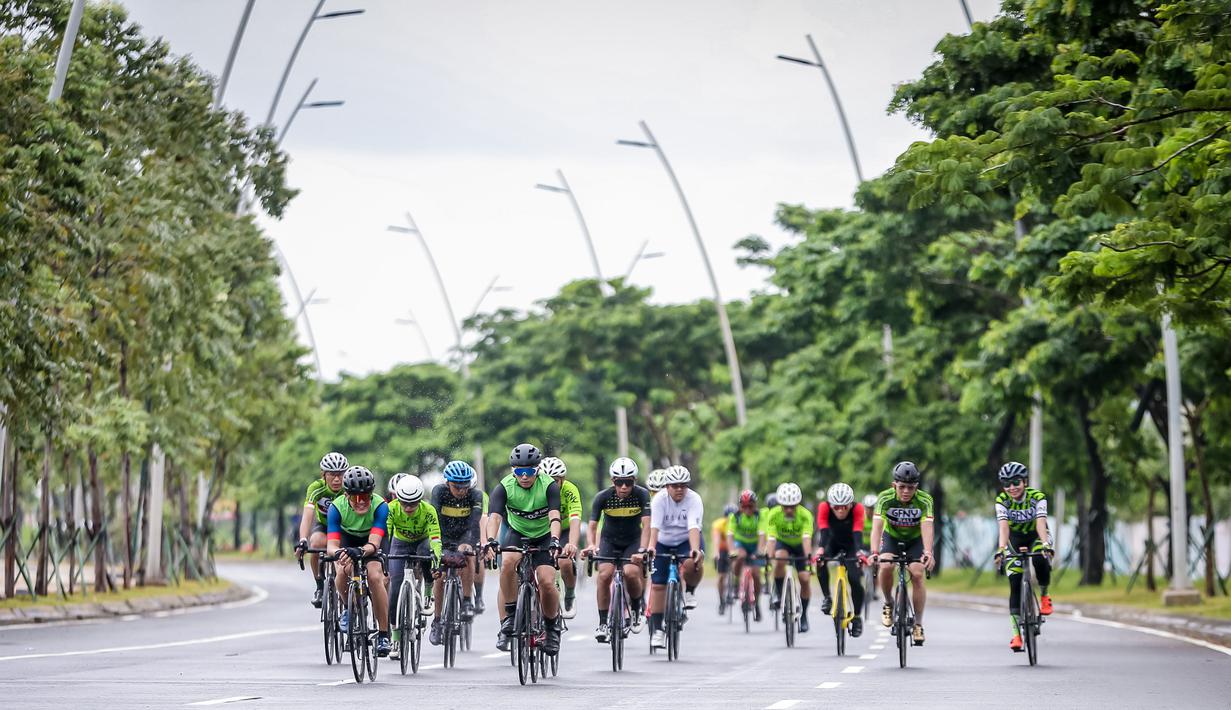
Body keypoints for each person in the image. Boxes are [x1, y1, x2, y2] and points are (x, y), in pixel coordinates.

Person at [482, 443, 563, 655]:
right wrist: (490, 539)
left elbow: (555, 516)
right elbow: (495, 517)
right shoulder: (504, 487)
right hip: (517, 533)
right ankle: (509, 617)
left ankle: (552, 627)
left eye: (529, 472)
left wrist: (555, 539)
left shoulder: (549, 486)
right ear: (513, 471)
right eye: (519, 472)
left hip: (544, 535)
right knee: (508, 563)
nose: (524, 476)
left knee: (546, 580)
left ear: (538, 470)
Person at [326, 465, 392, 656]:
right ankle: (348, 608)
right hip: (347, 540)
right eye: (356, 497)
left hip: (371, 543)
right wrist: (339, 553)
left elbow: (374, 544)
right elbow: (331, 545)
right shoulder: (336, 508)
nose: (361, 501)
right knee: (342, 571)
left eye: (365, 496)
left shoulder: (380, 506)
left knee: (374, 577)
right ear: (346, 496)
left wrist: (361, 552)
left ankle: (383, 635)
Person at [583, 457, 651, 643]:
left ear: (634, 481)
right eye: (619, 482)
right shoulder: (602, 497)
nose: (623, 487)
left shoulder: (642, 495)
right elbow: (592, 526)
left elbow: (646, 526)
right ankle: (603, 622)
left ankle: (636, 609)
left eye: (628, 482)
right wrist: (591, 545)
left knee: (630, 573)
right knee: (604, 575)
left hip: (633, 541)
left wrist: (643, 549)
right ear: (612, 481)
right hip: (609, 540)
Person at [869, 461, 935, 646]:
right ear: (894, 485)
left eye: (911, 487)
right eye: (902, 487)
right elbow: (877, 527)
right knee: (886, 565)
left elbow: (927, 527)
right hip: (892, 537)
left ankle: (918, 624)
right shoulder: (884, 498)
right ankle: (889, 602)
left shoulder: (925, 500)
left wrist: (928, 552)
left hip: (915, 540)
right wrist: (874, 552)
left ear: (917, 487)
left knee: (917, 573)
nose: (906, 491)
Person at [992, 461, 1054, 652]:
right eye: (1007, 484)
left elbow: (1040, 522)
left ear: (1025, 481)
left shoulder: (1037, 497)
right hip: (1014, 540)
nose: (1012, 488)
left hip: (1037, 535)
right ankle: (1016, 635)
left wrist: (1045, 544)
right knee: (1015, 581)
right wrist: (1001, 549)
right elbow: (1003, 527)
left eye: (1016, 482)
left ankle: (1044, 596)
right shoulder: (1002, 500)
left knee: (1039, 559)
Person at [647, 464, 704, 649]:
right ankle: (657, 630)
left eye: (683, 485)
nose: (679, 489)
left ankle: (689, 591)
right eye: (674, 486)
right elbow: (653, 528)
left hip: (686, 540)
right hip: (663, 541)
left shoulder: (694, 499)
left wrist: (694, 550)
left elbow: (693, 527)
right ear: (667, 487)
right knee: (658, 585)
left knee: (692, 562)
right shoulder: (659, 500)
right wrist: (651, 548)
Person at [385, 475, 442, 655]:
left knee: (427, 553)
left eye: (413, 503)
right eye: (404, 503)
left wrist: (437, 561)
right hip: (399, 543)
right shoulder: (390, 509)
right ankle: (395, 637)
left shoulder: (429, 510)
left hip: (422, 542)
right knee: (394, 587)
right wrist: (383, 557)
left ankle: (427, 590)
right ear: (398, 499)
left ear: (420, 500)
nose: (408, 508)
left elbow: (435, 538)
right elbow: (385, 535)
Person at [428, 461, 483, 645]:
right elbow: (433, 518)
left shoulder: (475, 495)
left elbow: (475, 523)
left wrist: (468, 543)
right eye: (457, 486)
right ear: (447, 483)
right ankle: (437, 620)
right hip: (443, 535)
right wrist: (438, 545)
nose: (461, 490)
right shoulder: (439, 492)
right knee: (440, 576)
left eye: (465, 486)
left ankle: (467, 601)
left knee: (468, 557)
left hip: (464, 536)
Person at [813, 482, 868, 638]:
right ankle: (827, 598)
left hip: (851, 544)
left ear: (851, 504)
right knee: (820, 561)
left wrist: (858, 552)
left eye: (845, 506)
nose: (840, 510)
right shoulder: (824, 507)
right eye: (836, 507)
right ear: (830, 505)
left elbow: (858, 530)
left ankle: (857, 617)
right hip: (832, 543)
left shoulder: (858, 509)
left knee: (855, 579)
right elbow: (823, 528)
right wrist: (821, 549)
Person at [296, 451, 347, 608]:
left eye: (340, 474)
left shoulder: (348, 487)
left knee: (344, 558)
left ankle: (350, 596)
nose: (337, 479)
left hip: (345, 527)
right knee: (315, 542)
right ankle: (319, 585)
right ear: (323, 474)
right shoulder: (316, 488)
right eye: (332, 474)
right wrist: (302, 539)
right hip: (324, 525)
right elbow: (308, 514)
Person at [765, 482, 815, 632]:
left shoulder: (805, 515)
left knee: (805, 579)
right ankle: (779, 593)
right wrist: (769, 559)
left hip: (800, 545)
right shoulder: (773, 514)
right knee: (779, 558)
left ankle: (804, 616)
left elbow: (807, 539)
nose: (788, 510)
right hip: (783, 544)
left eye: (792, 506)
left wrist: (809, 561)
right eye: (784, 506)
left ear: (797, 504)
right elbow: (772, 540)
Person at [539, 456, 582, 618]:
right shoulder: (536, 490)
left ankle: (569, 594)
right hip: (542, 530)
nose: (551, 485)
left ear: (562, 479)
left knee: (564, 561)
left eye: (555, 481)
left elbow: (575, 519)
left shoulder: (570, 490)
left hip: (564, 530)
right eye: (546, 481)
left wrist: (572, 543)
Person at [726, 489, 766, 621]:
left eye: (750, 506)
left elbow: (762, 535)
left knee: (756, 574)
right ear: (740, 506)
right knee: (740, 556)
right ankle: (737, 584)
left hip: (754, 545)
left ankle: (757, 603)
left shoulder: (759, 516)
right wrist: (732, 551)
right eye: (744, 506)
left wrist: (760, 552)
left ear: (755, 505)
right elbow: (730, 536)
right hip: (741, 543)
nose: (747, 509)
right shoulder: (735, 516)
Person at [711, 503, 737, 614]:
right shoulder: (719, 524)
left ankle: (736, 588)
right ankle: (721, 600)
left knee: (738, 568)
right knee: (721, 576)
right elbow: (716, 540)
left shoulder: (738, 524)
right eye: (728, 517)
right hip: (722, 549)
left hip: (735, 548)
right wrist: (716, 553)